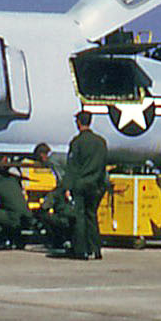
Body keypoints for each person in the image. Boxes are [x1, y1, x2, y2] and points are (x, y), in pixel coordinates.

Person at [63, 111, 108, 260]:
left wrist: (67, 187)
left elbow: (72, 166)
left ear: (79, 123)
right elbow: (103, 166)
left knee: (79, 217)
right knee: (92, 216)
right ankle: (96, 249)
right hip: (95, 184)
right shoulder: (101, 142)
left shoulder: (77, 142)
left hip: (80, 184)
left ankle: (81, 250)